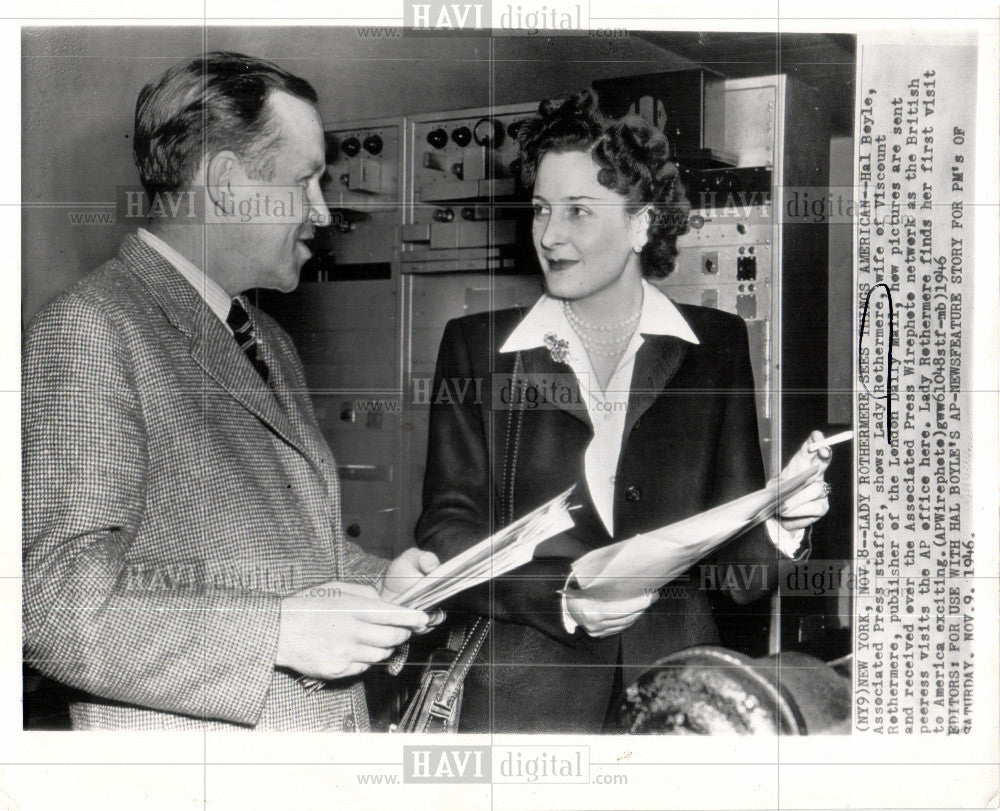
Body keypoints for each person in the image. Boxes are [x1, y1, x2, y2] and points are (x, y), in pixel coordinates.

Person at [22, 52, 440, 731]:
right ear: (225, 183)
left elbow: (287, 552)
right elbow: (51, 600)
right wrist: (274, 633)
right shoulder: (91, 328)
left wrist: (374, 583)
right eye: (305, 181)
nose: (324, 212)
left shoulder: (267, 338)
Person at [415, 89, 833, 733]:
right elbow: (447, 535)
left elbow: (737, 574)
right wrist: (563, 596)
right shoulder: (479, 349)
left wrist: (780, 523)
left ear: (641, 223)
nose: (550, 236)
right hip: (524, 700)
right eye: (540, 210)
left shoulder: (716, 347)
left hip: (677, 696)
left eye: (579, 211)